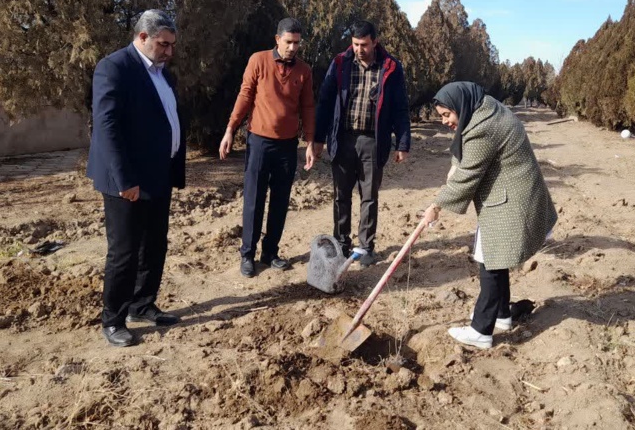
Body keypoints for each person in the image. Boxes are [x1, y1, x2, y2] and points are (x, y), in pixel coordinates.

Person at [421, 81, 557, 349]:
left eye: (447, 114)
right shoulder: (482, 108)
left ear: (460, 105)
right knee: (496, 256)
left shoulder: (484, 126)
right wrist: (455, 166)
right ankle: (502, 314)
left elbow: (468, 173)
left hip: (511, 199)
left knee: (489, 260)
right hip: (509, 192)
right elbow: (465, 147)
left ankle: (481, 330)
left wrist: (436, 206)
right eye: (441, 117)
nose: (445, 122)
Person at [87, 9, 186, 347]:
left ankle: (142, 305)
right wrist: (124, 179)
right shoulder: (114, 68)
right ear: (142, 37)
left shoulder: (163, 75)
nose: (169, 52)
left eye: (172, 45)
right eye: (163, 44)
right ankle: (113, 319)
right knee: (125, 252)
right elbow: (108, 128)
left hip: (158, 175)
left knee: (155, 244)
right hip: (125, 181)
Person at [220, 18, 316, 278]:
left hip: (288, 145)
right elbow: (245, 94)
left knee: (280, 200)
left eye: (297, 43)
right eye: (288, 42)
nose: (293, 48)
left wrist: (309, 142)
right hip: (259, 141)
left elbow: (307, 106)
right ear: (277, 40)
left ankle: (270, 252)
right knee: (254, 199)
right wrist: (230, 129)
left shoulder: (304, 70)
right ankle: (247, 254)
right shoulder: (258, 60)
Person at [314, 20, 411, 266]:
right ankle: (341, 244)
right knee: (340, 195)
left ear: (374, 42)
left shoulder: (390, 67)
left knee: (369, 196)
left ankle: (366, 246)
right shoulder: (340, 64)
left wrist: (403, 142)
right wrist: (317, 138)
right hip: (343, 138)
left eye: (364, 44)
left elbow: (400, 108)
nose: (359, 49)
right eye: (355, 44)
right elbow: (325, 102)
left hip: (372, 140)